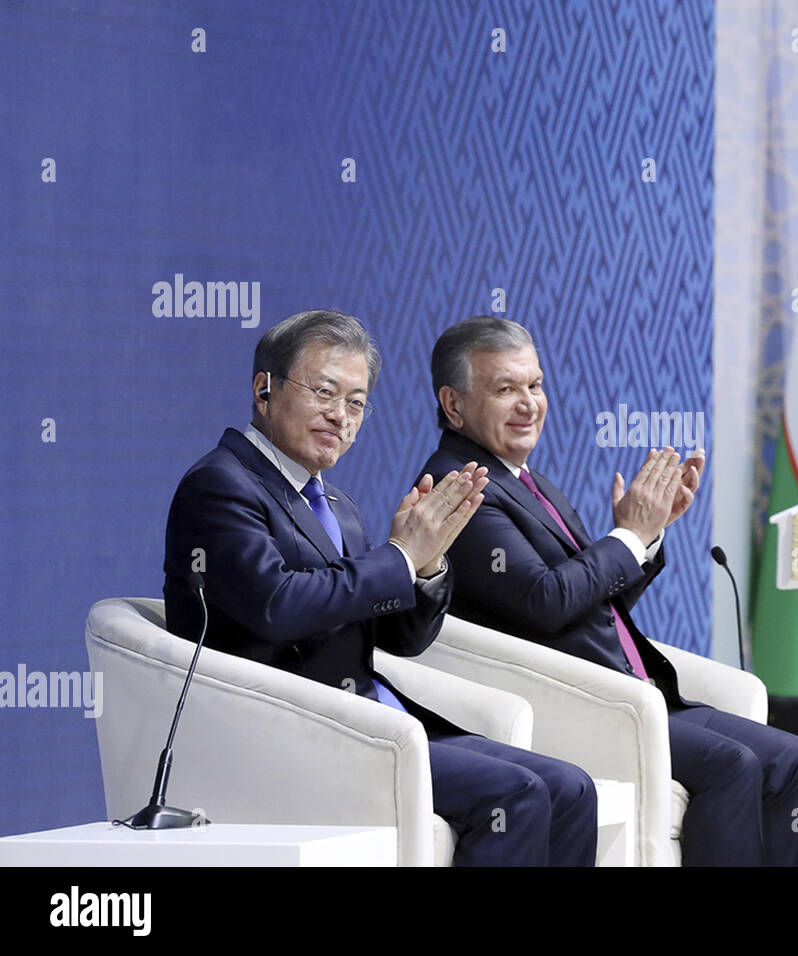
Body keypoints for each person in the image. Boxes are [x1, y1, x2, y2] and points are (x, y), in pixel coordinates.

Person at [163, 309, 596, 866]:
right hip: (296, 732)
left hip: (378, 719)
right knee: (517, 794)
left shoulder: (338, 505)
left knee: (573, 788)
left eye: (357, 402)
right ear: (263, 389)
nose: (340, 416)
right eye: (325, 392)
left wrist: (428, 567)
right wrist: (398, 557)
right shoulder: (220, 486)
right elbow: (275, 606)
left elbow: (397, 637)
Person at [419, 315, 798, 866]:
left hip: (637, 691)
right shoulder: (463, 489)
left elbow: (586, 603)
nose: (528, 404)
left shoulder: (529, 482)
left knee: (793, 759)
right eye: (505, 389)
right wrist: (627, 535)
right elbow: (546, 602)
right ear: (454, 404)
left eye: (535, 385)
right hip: (583, 705)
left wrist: (646, 537)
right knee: (734, 765)